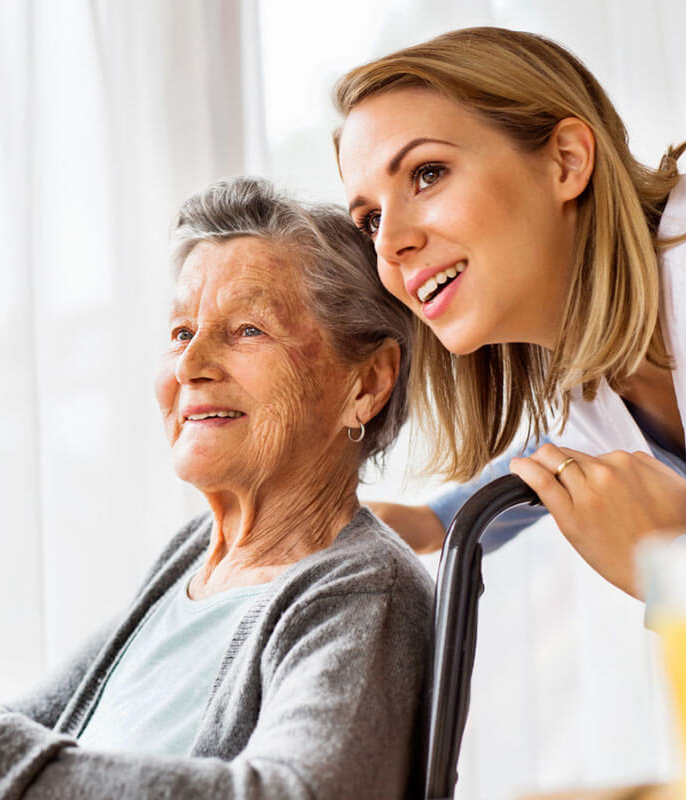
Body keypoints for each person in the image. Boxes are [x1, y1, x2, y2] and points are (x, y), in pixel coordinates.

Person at [0, 177, 433, 799]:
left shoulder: (361, 590)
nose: (189, 364)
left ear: (366, 383)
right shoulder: (196, 556)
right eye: (181, 332)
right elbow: (33, 724)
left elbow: (299, 793)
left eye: (248, 329)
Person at [334, 26, 686, 598]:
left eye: (428, 174)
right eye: (371, 220)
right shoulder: (597, 350)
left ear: (567, 161)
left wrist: (671, 573)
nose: (389, 244)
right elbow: (562, 450)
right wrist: (435, 520)